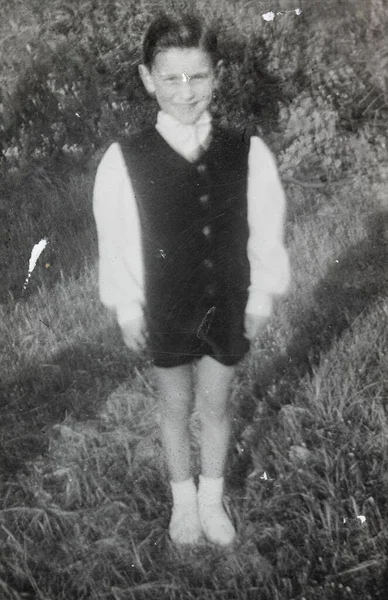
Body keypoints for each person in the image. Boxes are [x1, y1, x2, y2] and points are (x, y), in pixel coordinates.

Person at [93, 12, 290, 547]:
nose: (186, 92)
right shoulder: (124, 160)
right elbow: (117, 240)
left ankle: (211, 496)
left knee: (216, 408)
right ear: (147, 78)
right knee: (175, 408)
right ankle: (183, 502)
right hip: (166, 306)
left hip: (226, 303)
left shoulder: (248, 152)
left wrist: (262, 297)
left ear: (217, 76)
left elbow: (266, 232)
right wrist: (128, 307)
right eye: (172, 78)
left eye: (198, 76)